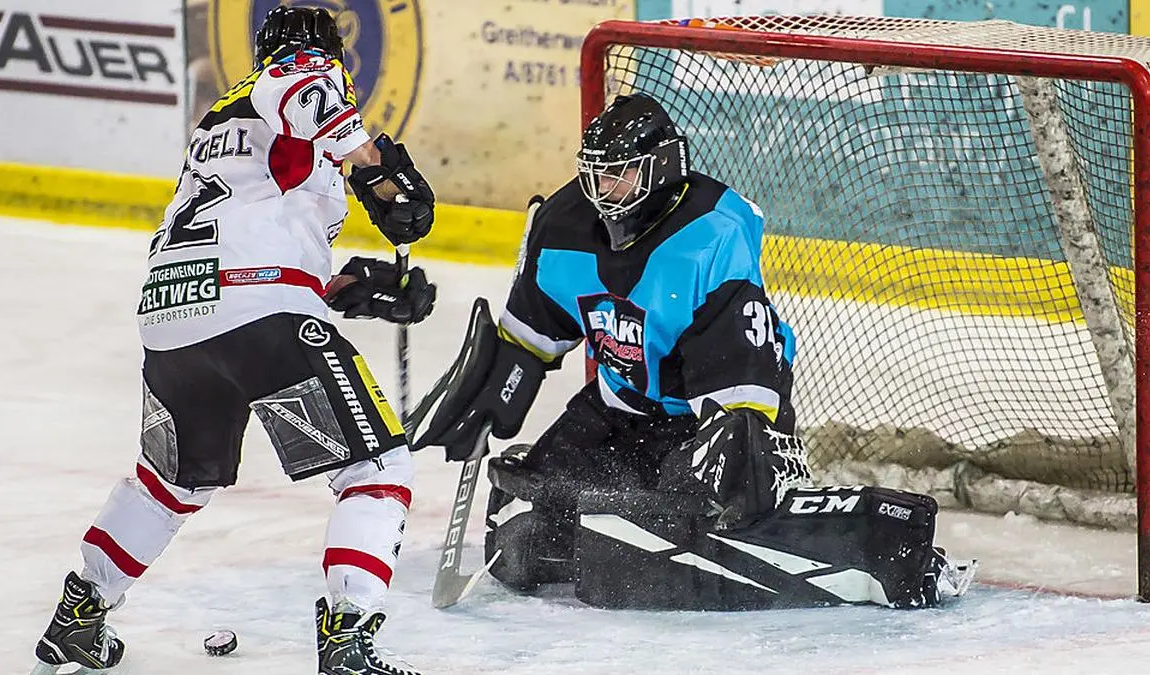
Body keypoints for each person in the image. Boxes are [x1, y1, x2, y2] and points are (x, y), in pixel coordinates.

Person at [411, 93, 974, 612]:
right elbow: (531, 335)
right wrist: (495, 386)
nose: (599, 191)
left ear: (660, 169)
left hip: (716, 418)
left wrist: (732, 450)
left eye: (617, 176)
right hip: (621, 408)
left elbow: (740, 372)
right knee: (527, 533)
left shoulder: (709, 233)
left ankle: (877, 536)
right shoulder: (561, 226)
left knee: (686, 524)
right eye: (593, 175)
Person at [31, 7, 435, 675]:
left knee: (169, 484)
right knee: (376, 467)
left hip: (173, 319)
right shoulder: (299, 77)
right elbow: (306, 89)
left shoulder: (225, 128)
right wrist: (374, 167)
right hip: (254, 310)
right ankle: (348, 639)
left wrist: (349, 287)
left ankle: (80, 612)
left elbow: (246, 238)